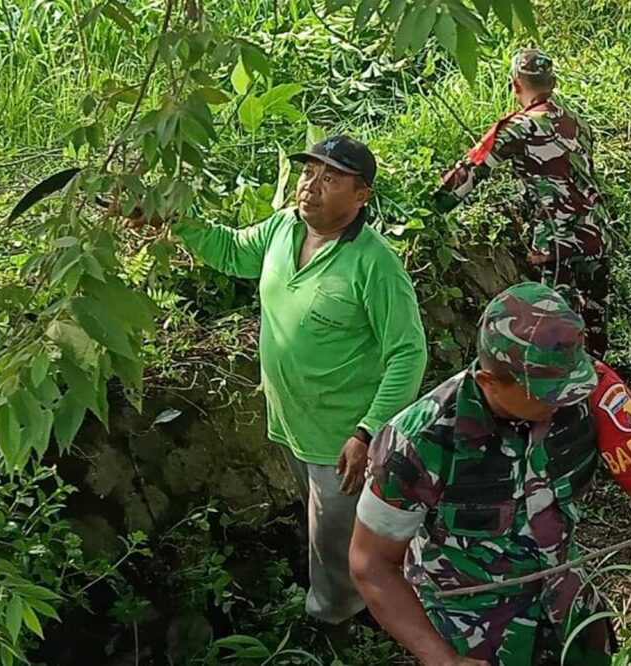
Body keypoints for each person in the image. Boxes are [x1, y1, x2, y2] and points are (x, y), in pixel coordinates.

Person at [125, 136, 428, 626]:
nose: (311, 186)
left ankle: (335, 619)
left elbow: (408, 354)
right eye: (309, 173)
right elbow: (228, 250)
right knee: (324, 519)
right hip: (292, 423)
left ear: (361, 196)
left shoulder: (374, 264)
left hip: (342, 440)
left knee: (337, 541)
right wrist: (172, 218)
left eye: (330, 178)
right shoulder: (283, 231)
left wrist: (366, 431)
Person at [349, 282, 631, 666]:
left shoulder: (589, 392)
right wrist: (441, 659)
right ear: (489, 382)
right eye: (546, 392)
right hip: (474, 636)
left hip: (573, 620)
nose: (563, 401)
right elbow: (370, 564)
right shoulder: (419, 442)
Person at [431, 49, 611, 359]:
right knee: (593, 324)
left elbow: (469, 173)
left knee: (557, 334)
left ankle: (562, 398)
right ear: (552, 82)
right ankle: (597, 389)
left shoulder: (518, 127)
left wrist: (429, 209)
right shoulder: (576, 119)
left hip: (559, 243)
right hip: (597, 233)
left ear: (515, 85)